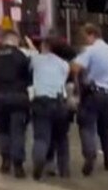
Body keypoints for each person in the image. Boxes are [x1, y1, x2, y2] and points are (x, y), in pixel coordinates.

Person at [70, 23, 108, 176]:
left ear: (91, 35)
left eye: (84, 37)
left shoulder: (90, 51)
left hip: (93, 92)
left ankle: (90, 154)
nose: (84, 40)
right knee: (105, 128)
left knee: (87, 125)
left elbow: (75, 68)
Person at [28, 35, 74, 180]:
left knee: (42, 137)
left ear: (46, 47)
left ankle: (39, 162)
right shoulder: (64, 64)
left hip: (41, 102)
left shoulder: (35, 59)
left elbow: (30, 56)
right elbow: (67, 83)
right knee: (61, 138)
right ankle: (64, 170)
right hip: (60, 103)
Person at [0, 30, 31, 178]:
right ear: (15, 39)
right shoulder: (20, 56)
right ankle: (18, 164)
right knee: (18, 132)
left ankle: (5, 160)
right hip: (18, 98)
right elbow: (28, 76)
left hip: (1, 98)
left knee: (3, 131)